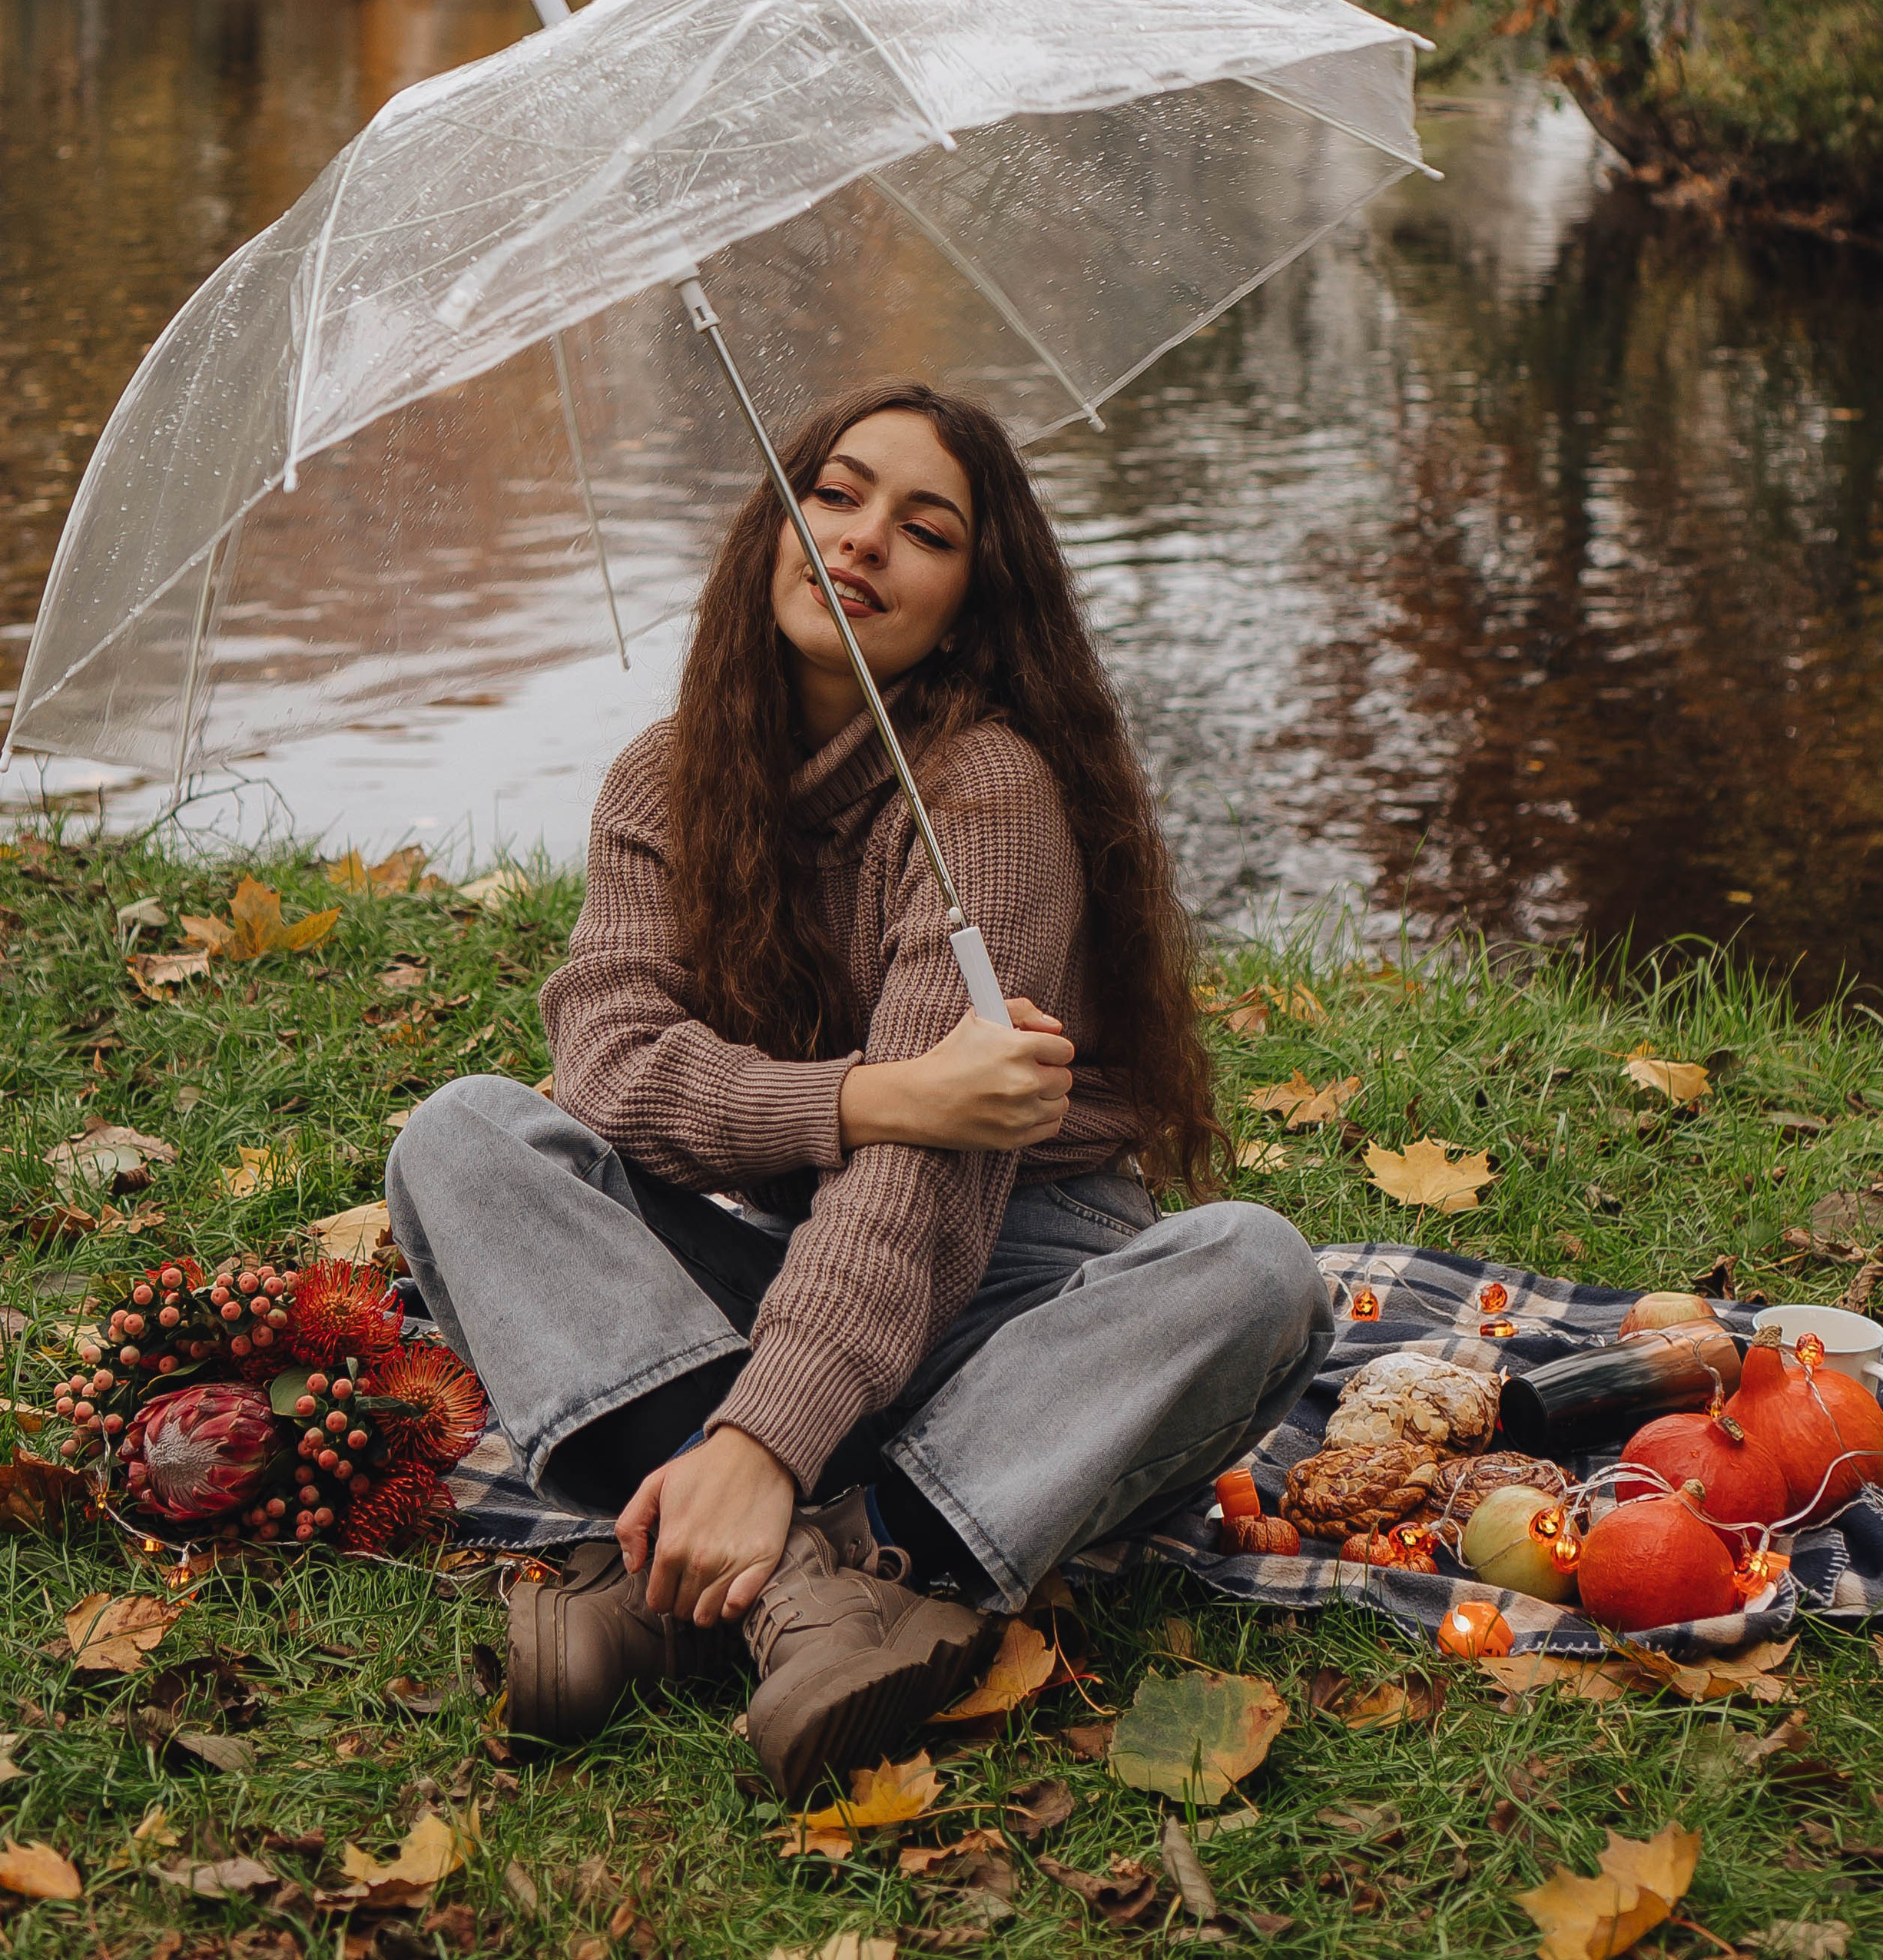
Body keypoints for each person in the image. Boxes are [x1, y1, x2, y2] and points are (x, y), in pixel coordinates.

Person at [386, 382, 1331, 1799]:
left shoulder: (989, 793)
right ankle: (792, 1579)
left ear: (973, 598)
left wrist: (769, 1440)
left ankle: (830, 1550)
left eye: (925, 528)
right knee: (461, 1135)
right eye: (835, 494)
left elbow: (923, 1198)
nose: (864, 539)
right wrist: (870, 1098)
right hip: (784, 1269)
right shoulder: (664, 782)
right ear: (775, 522)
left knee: (1258, 1273)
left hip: (1014, 1297)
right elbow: (613, 1075)